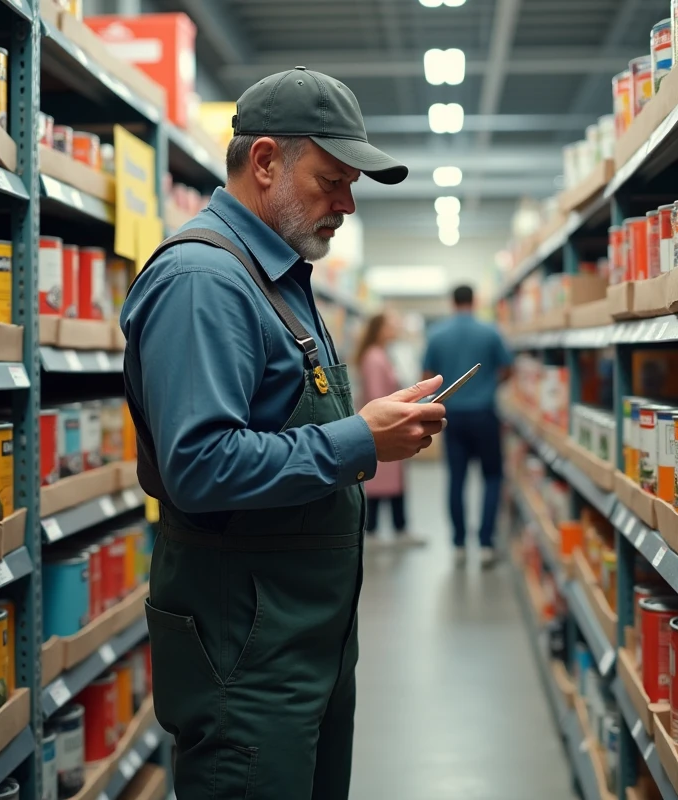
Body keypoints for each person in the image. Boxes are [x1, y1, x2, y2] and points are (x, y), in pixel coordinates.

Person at [120, 68, 447, 799]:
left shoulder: (277, 276)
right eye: (331, 180)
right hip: (247, 659)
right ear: (265, 161)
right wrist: (362, 441)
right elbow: (199, 466)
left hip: (301, 644)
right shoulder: (205, 281)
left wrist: (371, 426)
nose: (347, 204)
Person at [422, 285, 514, 567]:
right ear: (474, 301)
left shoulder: (436, 334)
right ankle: (486, 544)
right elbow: (508, 367)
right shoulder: (490, 331)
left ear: (452, 301)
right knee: (492, 477)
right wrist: (489, 386)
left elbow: (426, 376)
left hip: (452, 416)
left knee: (457, 479)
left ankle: (459, 544)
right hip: (484, 413)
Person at [354, 311, 426, 546]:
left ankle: (396, 528)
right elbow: (377, 396)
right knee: (379, 481)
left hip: (388, 424)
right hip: (383, 426)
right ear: (379, 329)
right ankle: (377, 530)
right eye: (391, 325)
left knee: (390, 481)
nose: (395, 329)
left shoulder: (380, 354)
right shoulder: (374, 357)